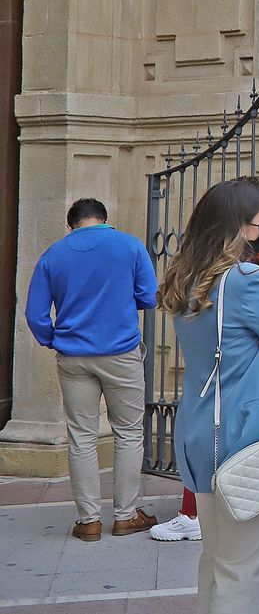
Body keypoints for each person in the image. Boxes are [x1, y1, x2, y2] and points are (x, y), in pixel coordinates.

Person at [161, 178, 259, 613]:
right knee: (245, 574)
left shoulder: (188, 279)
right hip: (248, 439)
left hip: (202, 434)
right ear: (238, 227)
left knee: (217, 565)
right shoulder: (246, 279)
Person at [25, 198, 159, 540]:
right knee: (129, 433)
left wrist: (53, 339)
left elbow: (36, 315)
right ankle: (126, 516)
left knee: (81, 437)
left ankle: (89, 521)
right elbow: (148, 296)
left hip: (73, 357)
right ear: (104, 220)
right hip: (121, 352)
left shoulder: (53, 255)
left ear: (71, 226)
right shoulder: (129, 246)